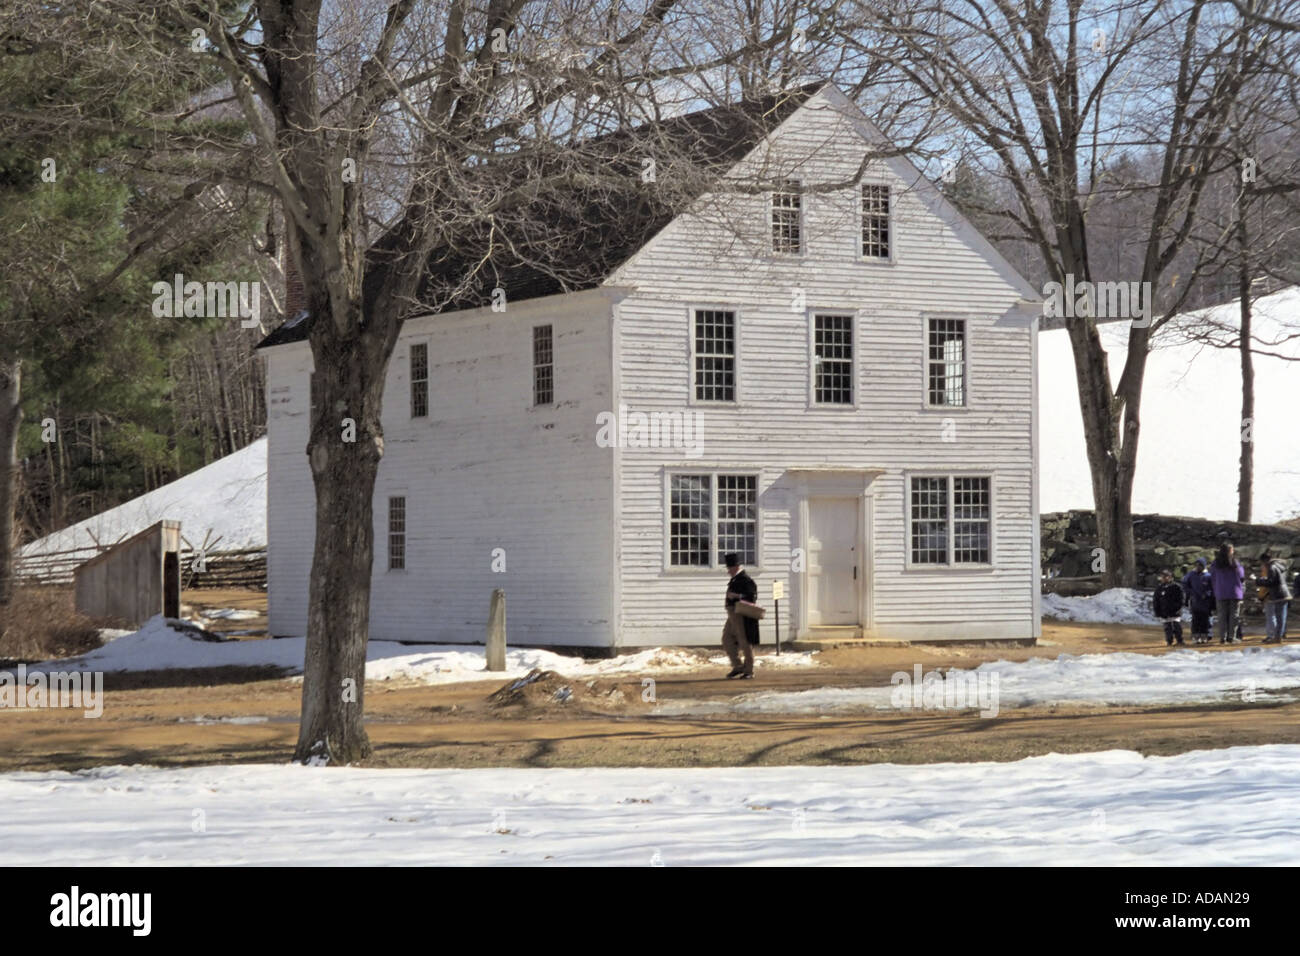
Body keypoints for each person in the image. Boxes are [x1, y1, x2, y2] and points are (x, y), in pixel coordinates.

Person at [721, 552, 759, 679]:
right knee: (727, 639)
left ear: (736, 567)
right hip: (732, 613)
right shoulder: (736, 579)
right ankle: (737, 666)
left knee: (744, 641)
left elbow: (751, 596)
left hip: (741, 613)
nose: (728, 571)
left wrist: (736, 596)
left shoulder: (745, 579)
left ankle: (749, 670)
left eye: (729, 568)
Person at [1210, 541, 1246, 644]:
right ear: (1230, 551)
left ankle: (1223, 637)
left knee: (1222, 615)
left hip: (1221, 592)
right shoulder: (1235, 563)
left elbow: (1212, 576)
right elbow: (1241, 576)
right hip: (1235, 592)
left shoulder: (1215, 563)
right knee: (1234, 615)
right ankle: (1231, 637)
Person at [1258, 551, 1292, 644]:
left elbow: (1272, 582)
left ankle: (1277, 637)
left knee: (1279, 617)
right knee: (1280, 617)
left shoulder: (1272, 567)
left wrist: (1260, 581)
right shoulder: (1278, 566)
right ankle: (1279, 636)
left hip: (1279, 594)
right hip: (1282, 593)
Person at [1182, 558, 1214, 645]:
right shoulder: (1191, 575)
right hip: (1195, 601)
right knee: (1195, 619)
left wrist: (1207, 594)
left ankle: (1204, 635)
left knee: (1205, 619)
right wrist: (1191, 593)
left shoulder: (1208, 576)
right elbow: (1185, 585)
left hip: (1205, 602)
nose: (1198, 567)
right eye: (1197, 565)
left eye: (1200, 565)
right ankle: (1196, 636)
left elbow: (1212, 588)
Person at [1152, 568, 1185, 647]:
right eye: (1162, 577)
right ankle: (1169, 641)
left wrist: (1178, 608)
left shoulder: (1176, 587)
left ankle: (1179, 640)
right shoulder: (1159, 588)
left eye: (1166, 576)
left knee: (1176, 626)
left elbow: (1181, 599)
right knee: (1167, 628)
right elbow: (1156, 600)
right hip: (1164, 612)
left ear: (1170, 577)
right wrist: (1157, 611)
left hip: (1175, 611)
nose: (1164, 578)